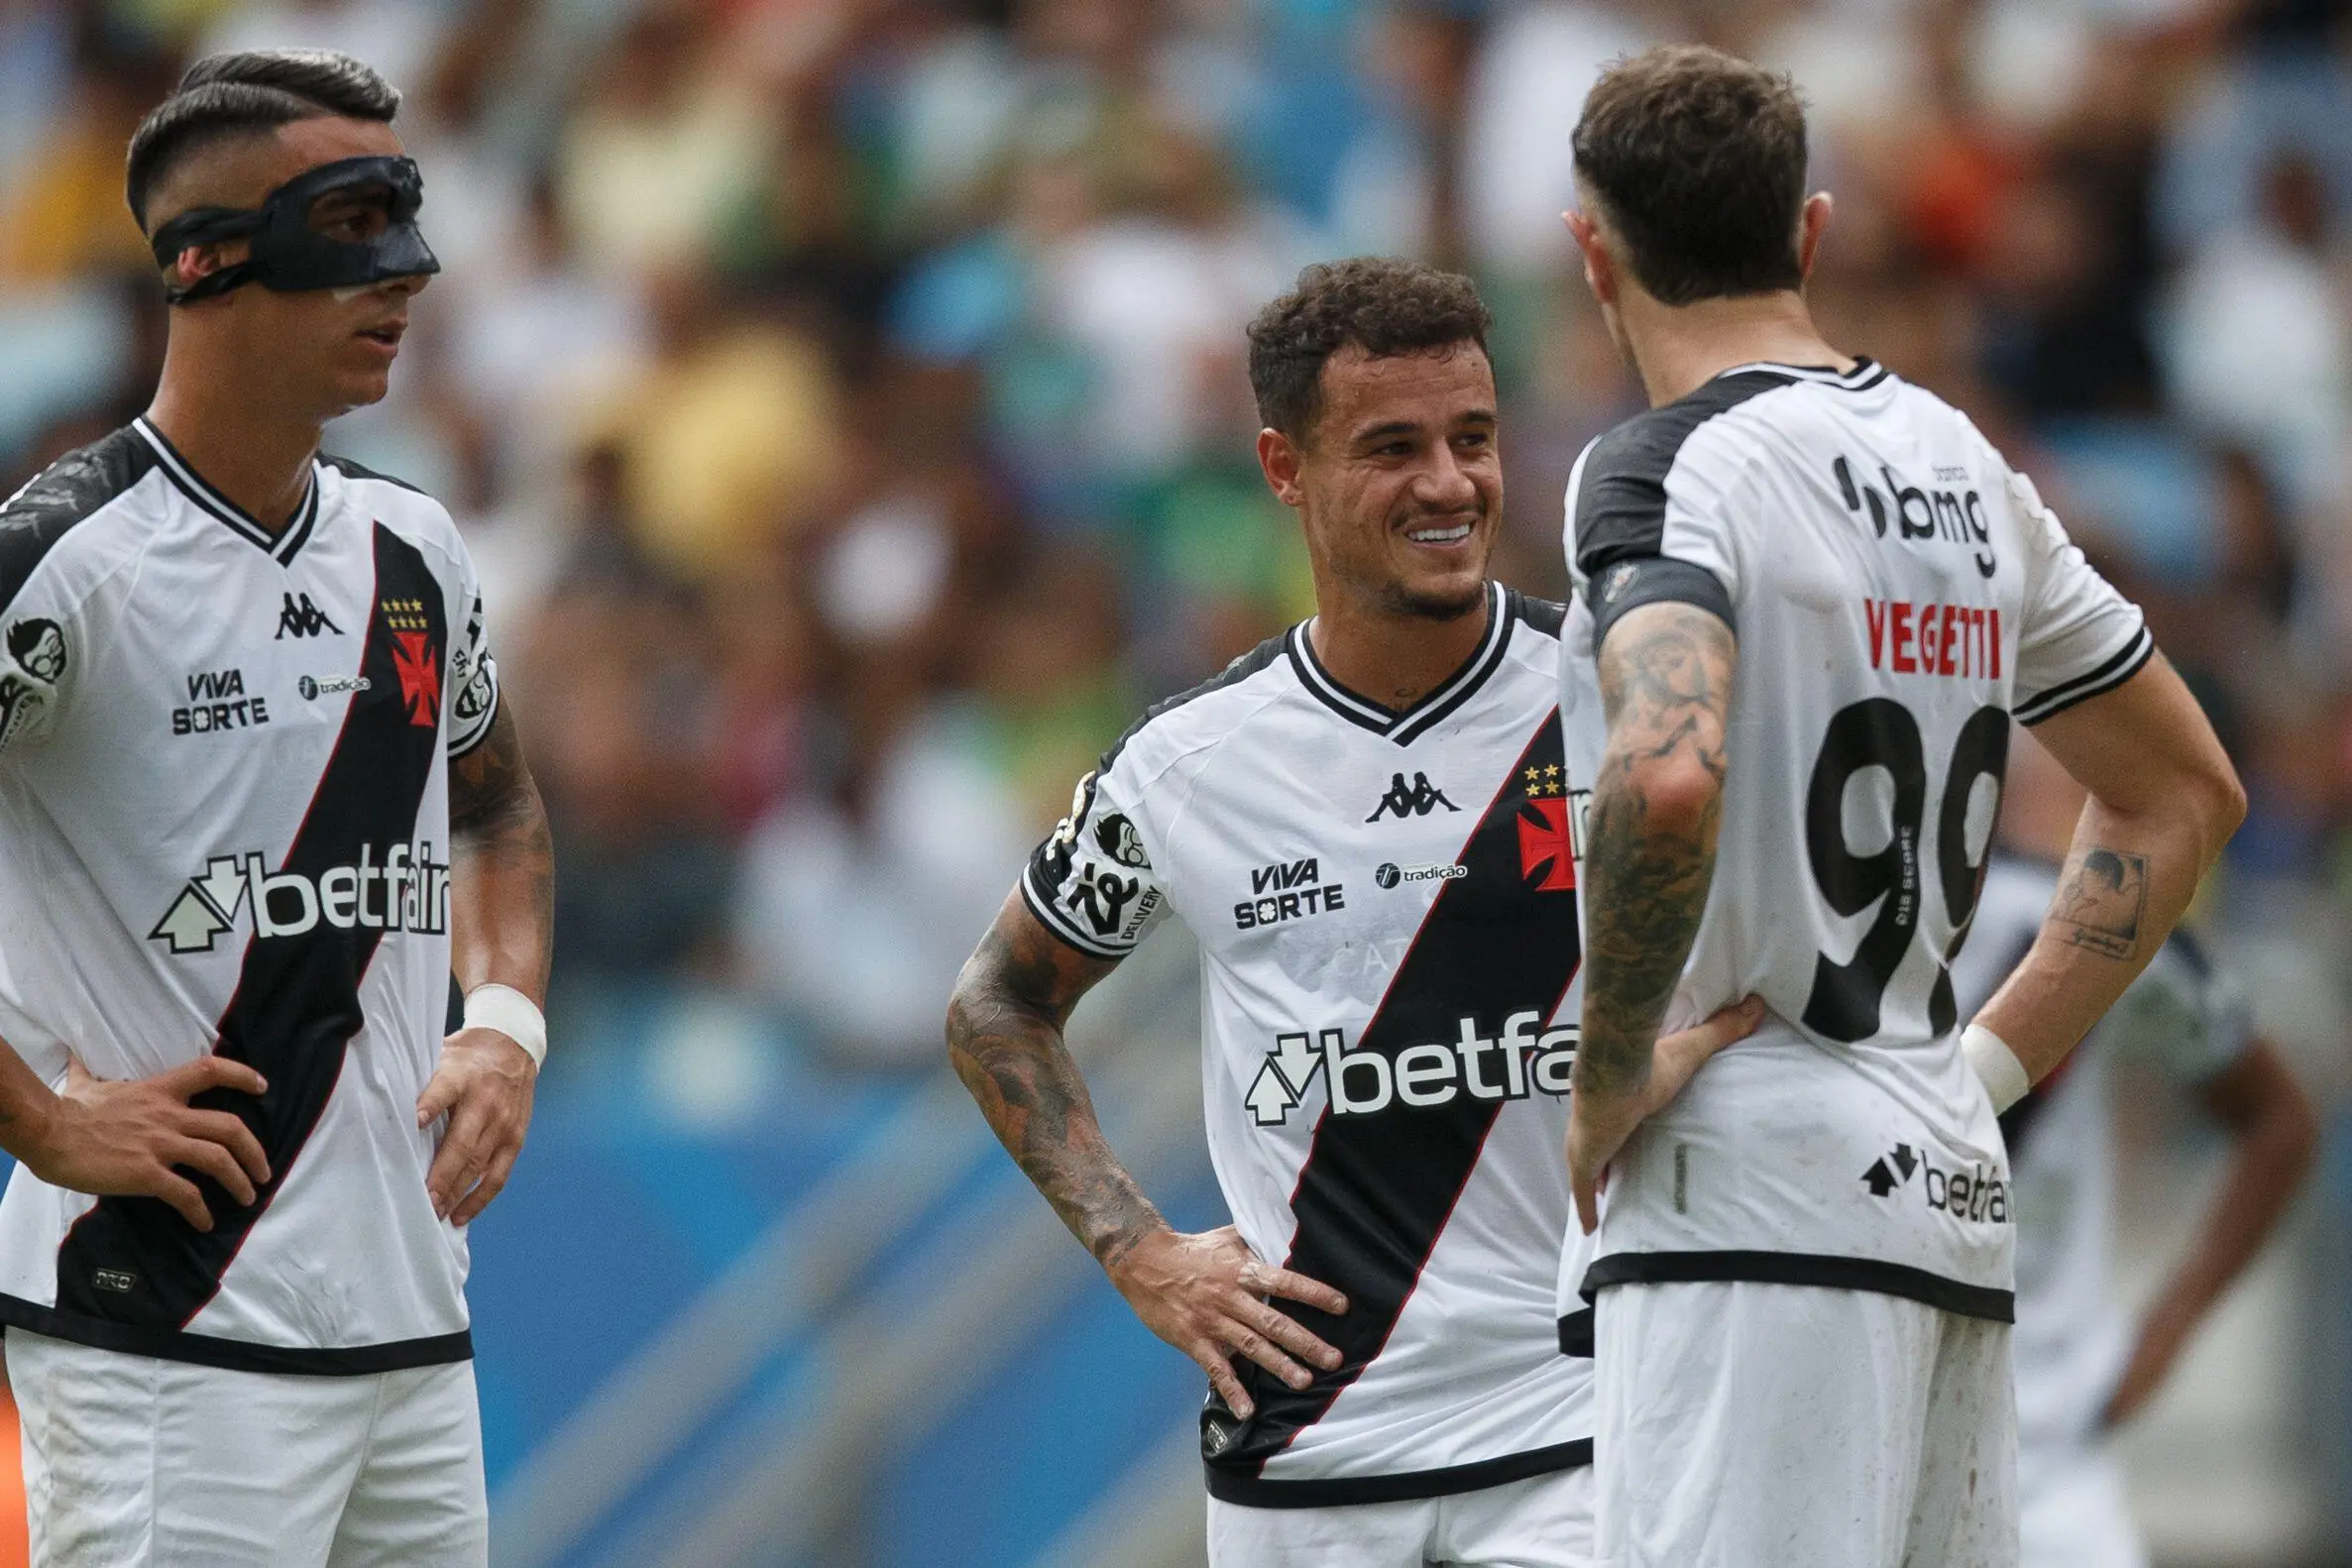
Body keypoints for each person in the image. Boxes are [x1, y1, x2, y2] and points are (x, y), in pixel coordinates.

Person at [944, 256, 1755, 1568]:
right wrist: (1137, 1250)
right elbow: (996, 1001)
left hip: (1582, 1428)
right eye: (1392, 447)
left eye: (1473, 438)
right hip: (1302, 1464)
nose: (1449, 483)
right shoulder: (1184, 765)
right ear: (1282, 466)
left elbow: (1780, 951)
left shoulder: (1619, 700)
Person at [1552, 45, 2246, 1568]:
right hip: (1934, 1181)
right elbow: (2183, 790)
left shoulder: (1663, 469)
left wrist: (1603, 1070)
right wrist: (1982, 1074)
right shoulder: (1964, 467)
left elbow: (1667, 768)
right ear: (1808, 234)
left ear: (1588, 252)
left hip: (1745, 1189)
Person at [0, 50, 553, 1566]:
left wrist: (504, 1023)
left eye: (407, 214)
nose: (408, 273)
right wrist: (41, 1119)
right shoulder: (60, 563)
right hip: (170, 1332)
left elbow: (499, 808)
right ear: (208, 262)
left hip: (410, 1329)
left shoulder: (413, 546)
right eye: (354, 222)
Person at [1951, 734, 2315, 1568]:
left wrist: (2162, 1335)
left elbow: (2279, 1120)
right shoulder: (1796, 929)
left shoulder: (2082, 919)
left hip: (2044, 1453)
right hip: (1848, 1421)